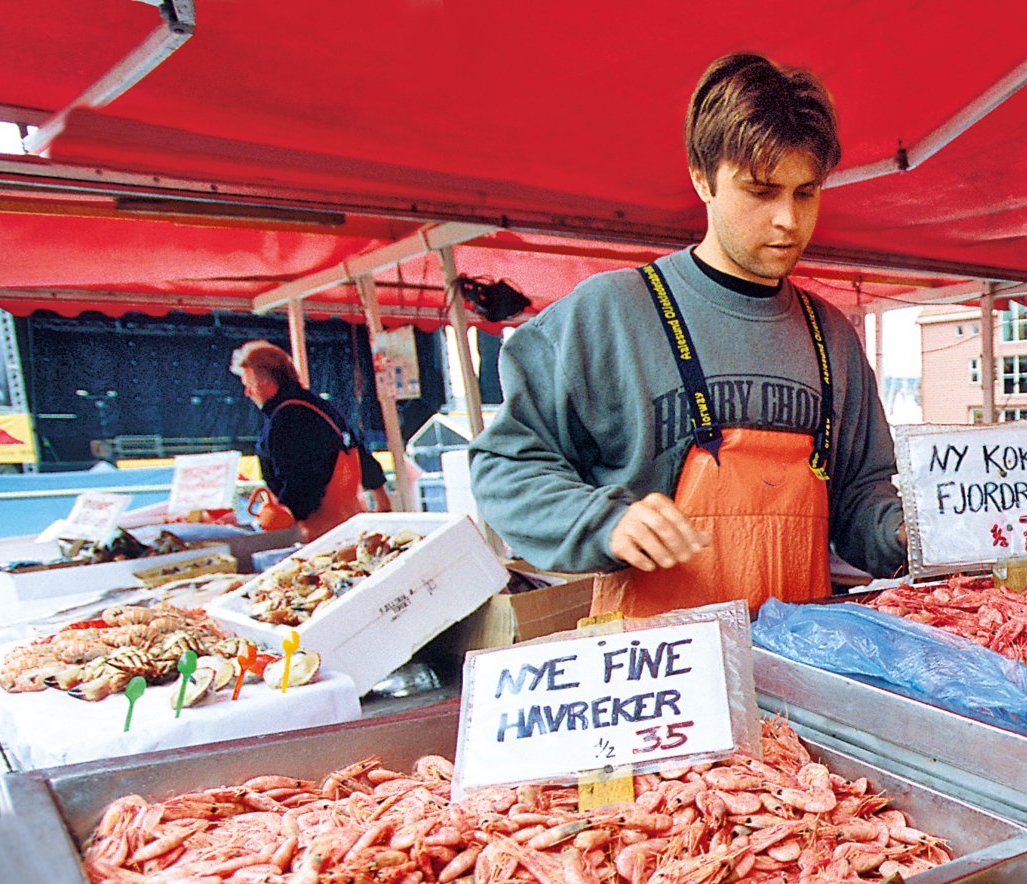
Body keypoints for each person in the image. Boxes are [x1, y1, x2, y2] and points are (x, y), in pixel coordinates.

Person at [469, 52, 903, 615]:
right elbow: (506, 465)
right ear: (702, 178)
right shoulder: (610, 314)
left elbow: (860, 501)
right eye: (761, 191)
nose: (788, 221)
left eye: (806, 192)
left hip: (800, 676)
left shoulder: (832, 337)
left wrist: (906, 532)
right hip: (655, 674)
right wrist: (606, 520)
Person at [231, 342, 391, 539]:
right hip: (351, 523)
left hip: (317, 534)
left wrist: (280, 521)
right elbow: (359, 452)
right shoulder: (319, 406)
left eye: (249, 385)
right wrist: (381, 498)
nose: (247, 393)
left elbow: (298, 483)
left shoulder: (285, 419)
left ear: (267, 381)